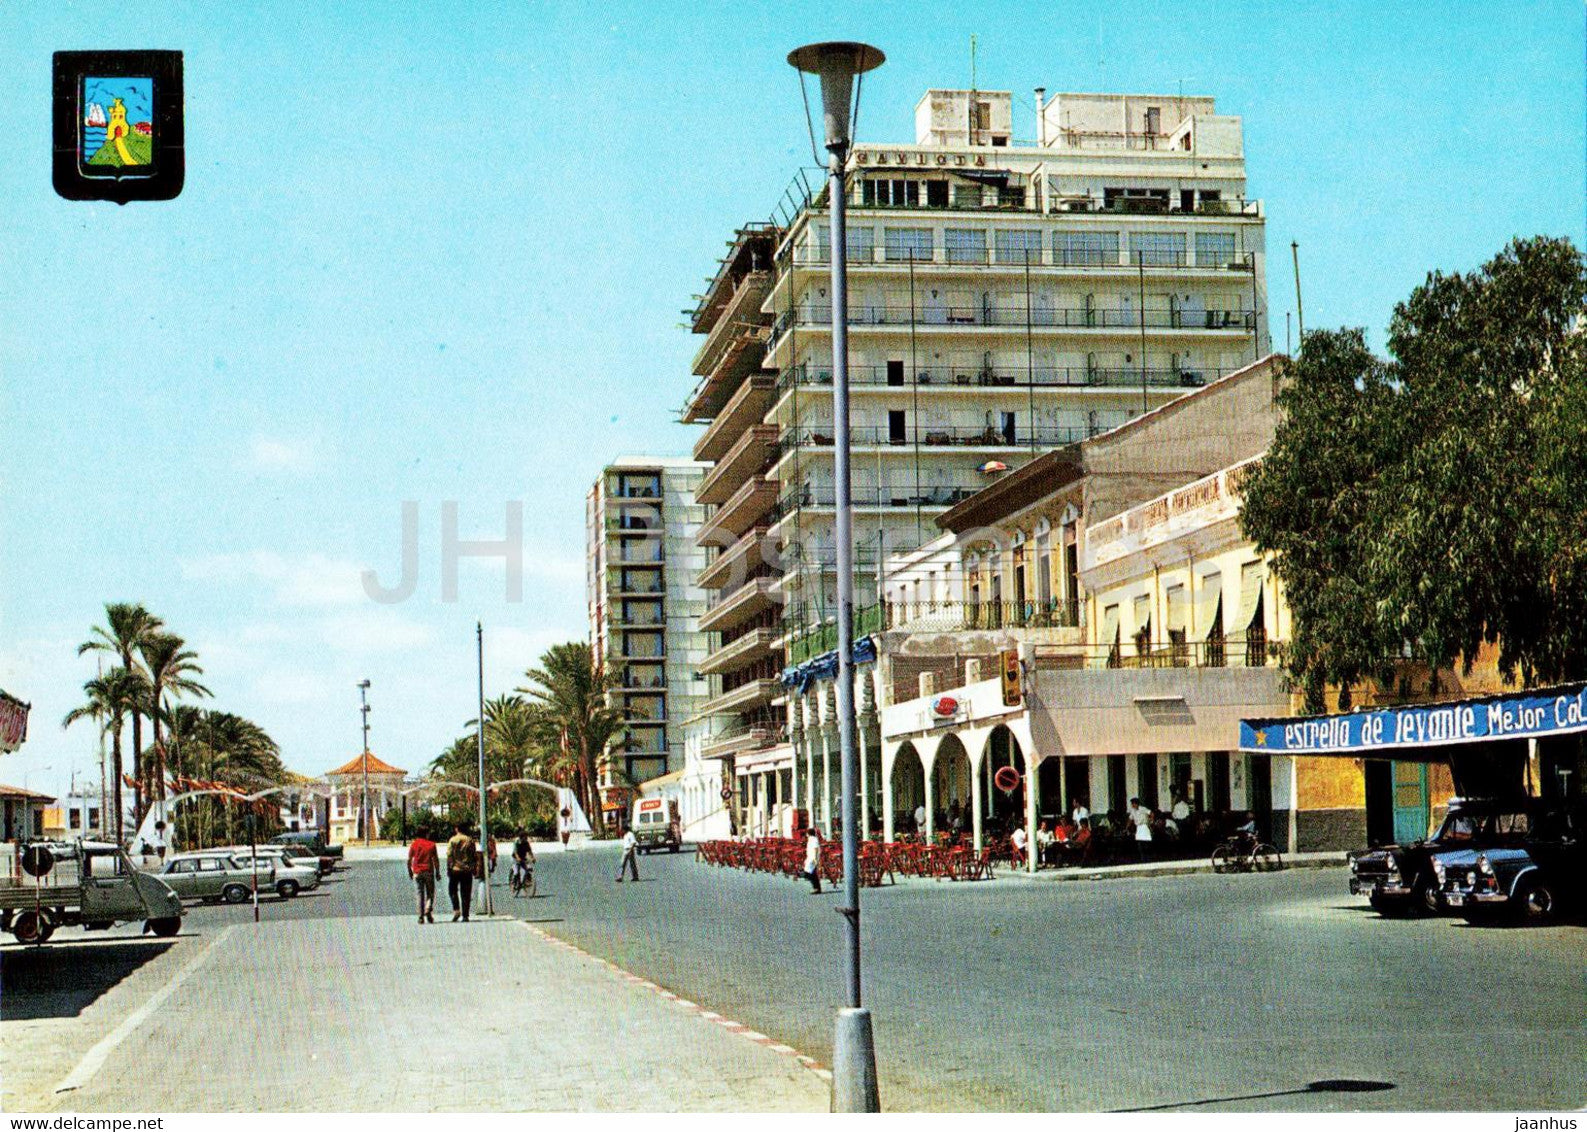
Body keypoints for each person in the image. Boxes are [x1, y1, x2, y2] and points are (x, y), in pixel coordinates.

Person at [446, 823, 478, 922]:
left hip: (455, 869)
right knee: (466, 893)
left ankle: (456, 909)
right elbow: (474, 855)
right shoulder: (470, 840)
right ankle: (465, 915)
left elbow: (449, 856)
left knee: (452, 890)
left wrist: (448, 868)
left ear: (457, 829)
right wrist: (474, 868)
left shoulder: (452, 840)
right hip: (467, 870)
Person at [407, 829, 439, 923]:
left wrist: (410, 870)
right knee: (430, 893)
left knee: (419, 894)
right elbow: (435, 860)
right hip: (428, 871)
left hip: (417, 872)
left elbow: (409, 859)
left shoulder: (414, 844)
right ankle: (428, 909)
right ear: (426, 834)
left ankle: (420, 917)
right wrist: (437, 872)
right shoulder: (432, 844)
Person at [511, 829, 535, 895]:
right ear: (521, 837)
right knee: (516, 872)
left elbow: (529, 852)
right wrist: (518, 858)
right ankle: (514, 884)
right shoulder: (517, 842)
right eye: (525, 837)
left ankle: (526, 881)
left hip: (523, 858)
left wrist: (532, 858)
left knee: (527, 870)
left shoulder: (526, 843)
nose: (526, 838)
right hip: (516, 859)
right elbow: (515, 852)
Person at [802, 825, 822, 894]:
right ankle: (817, 888)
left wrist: (815, 858)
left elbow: (815, 849)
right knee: (812, 873)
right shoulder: (811, 839)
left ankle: (816, 888)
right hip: (810, 857)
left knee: (810, 873)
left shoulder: (813, 839)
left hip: (813, 858)